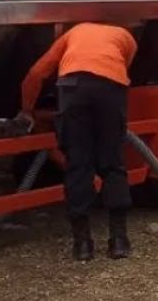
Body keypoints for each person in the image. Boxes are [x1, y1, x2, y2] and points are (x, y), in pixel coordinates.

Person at [16, 22, 138, 262]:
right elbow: (122, 70)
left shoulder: (73, 33)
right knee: (113, 162)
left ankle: (83, 245)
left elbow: (35, 74)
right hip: (110, 88)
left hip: (73, 88)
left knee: (78, 164)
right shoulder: (126, 37)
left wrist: (27, 111)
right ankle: (119, 241)